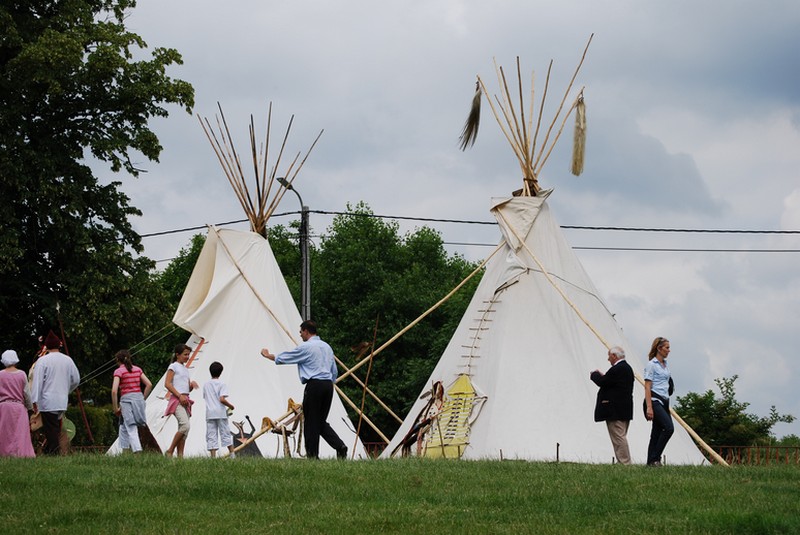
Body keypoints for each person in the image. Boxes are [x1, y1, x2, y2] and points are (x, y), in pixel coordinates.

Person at [260, 320, 348, 459]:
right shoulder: (327, 347)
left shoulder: (306, 347)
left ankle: (312, 456)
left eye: (301, 332)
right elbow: (334, 371)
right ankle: (340, 446)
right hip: (328, 385)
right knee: (320, 421)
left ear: (306, 331)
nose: (300, 334)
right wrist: (330, 382)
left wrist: (267, 355)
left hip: (315, 385)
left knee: (311, 422)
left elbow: (286, 358)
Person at [30, 331, 80, 455]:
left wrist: (34, 400)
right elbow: (76, 379)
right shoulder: (68, 360)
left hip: (47, 401)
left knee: (50, 429)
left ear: (47, 346)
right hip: (62, 400)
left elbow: (37, 382)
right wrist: (67, 389)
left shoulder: (43, 361)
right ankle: (53, 451)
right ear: (59, 345)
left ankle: (53, 453)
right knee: (56, 426)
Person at [589, 346, 634, 465]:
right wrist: (604, 376)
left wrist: (594, 374)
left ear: (614, 356)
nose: (608, 359)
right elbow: (611, 382)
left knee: (618, 438)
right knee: (621, 436)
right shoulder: (627, 368)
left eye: (609, 356)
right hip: (624, 408)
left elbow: (602, 382)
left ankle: (625, 462)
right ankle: (623, 461)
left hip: (615, 410)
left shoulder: (617, 369)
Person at [111, 350, 152, 454]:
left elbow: (114, 391)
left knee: (131, 426)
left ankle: (137, 451)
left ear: (117, 360)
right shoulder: (137, 369)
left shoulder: (119, 371)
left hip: (126, 400)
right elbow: (149, 384)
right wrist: (142, 398)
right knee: (123, 426)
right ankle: (124, 451)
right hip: (138, 398)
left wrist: (115, 408)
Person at [164, 344, 199, 458]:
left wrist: (191, 386)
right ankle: (170, 450)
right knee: (185, 425)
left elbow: (186, 388)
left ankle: (180, 456)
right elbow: (167, 384)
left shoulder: (185, 369)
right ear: (177, 355)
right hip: (177, 400)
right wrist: (179, 396)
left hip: (185, 400)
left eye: (188, 354)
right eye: (185, 354)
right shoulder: (173, 366)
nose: (187, 357)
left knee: (184, 430)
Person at [644, 336, 674, 466]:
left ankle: (650, 461)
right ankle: (656, 458)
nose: (669, 350)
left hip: (665, 401)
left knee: (656, 432)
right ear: (659, 348)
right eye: (667, 348)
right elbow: (647, 386)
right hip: (655, 400)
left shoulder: (665, 365)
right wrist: (649, 407)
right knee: (669, 428)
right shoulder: (652, 365)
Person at [0, 350, 36, 457]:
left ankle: (4, 452)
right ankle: (21, 453)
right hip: (19, 407)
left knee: (4, 432)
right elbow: (26, 393)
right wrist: (30, 407)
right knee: (20, 432)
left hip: (4, 407)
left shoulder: (0, 375)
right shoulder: (21, 374)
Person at [203, 361, 236, 458]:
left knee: (211, 435)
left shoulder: (206, 385)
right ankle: (232, 454)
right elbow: (222, 399)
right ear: (221, 372)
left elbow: (205, 397)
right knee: (225, 433)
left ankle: (213, 457)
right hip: (220, 412)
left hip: (210, 413)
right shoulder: (222, 384)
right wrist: (231, 406)